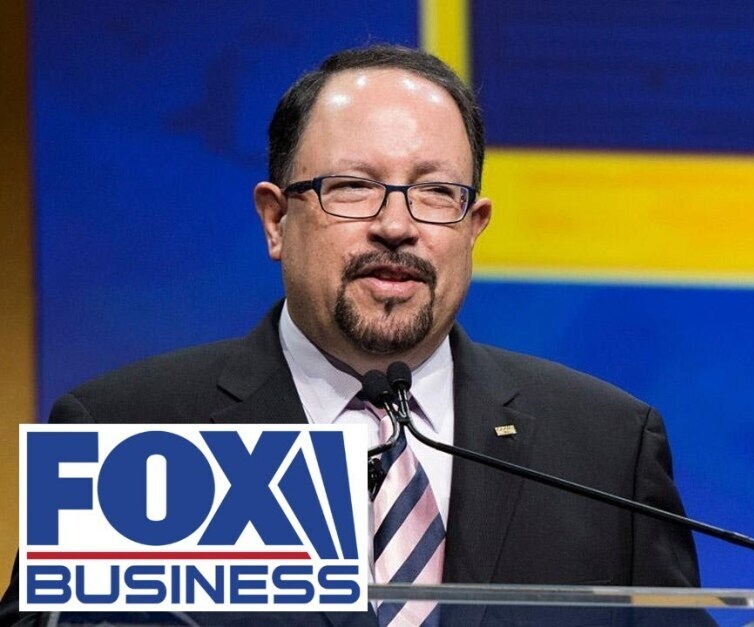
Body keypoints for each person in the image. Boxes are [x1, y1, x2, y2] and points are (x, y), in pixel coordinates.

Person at [1, 45, 700, 626]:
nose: (396, 226)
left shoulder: (605, 452)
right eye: (353, 186)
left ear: (474, 226)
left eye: (435, 192)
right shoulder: (130, 432)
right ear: (276, 219)